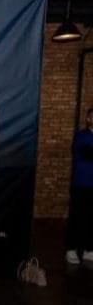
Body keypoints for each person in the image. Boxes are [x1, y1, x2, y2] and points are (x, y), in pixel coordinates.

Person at [65, 108, 93, 264]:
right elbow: (88, 153)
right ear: (88, 119)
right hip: (80, 185)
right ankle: (71, 249)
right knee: (77, 218)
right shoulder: (81, 136)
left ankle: (89, 250)